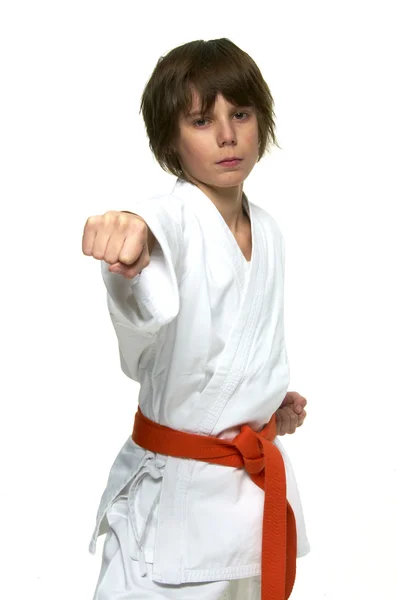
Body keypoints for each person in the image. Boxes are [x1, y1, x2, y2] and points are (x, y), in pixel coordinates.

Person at [83, 37, 310, 600]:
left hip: (247, 500)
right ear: (171, 141)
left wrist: (260, 401)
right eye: (202, 120)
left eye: (241, 114)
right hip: (175, 511)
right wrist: (129, 239)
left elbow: (227, 346)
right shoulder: (174, 219)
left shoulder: (271, 231)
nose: (228, 135)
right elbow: (149, 248)